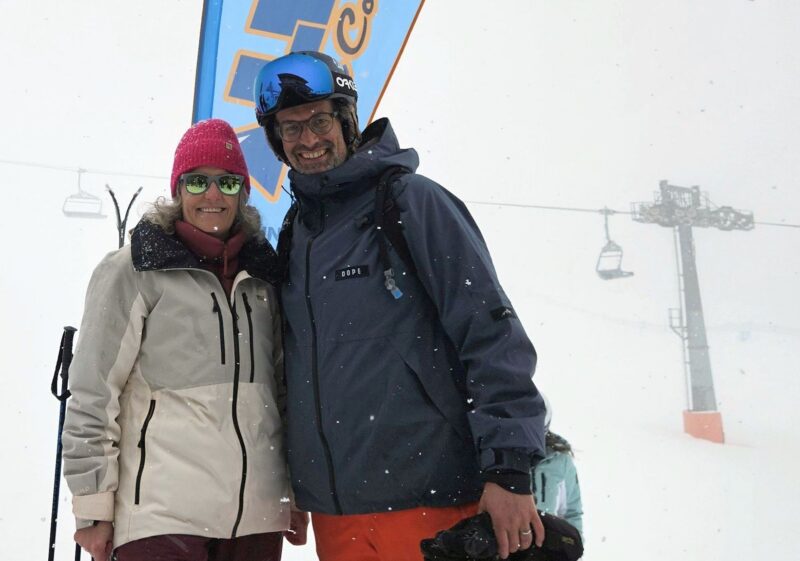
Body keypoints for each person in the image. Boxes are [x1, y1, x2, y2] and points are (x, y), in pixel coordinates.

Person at [253, 51, 547, 561]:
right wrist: (295, 480)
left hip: (433, 499)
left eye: (319, 121)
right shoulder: (296, 233)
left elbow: (491, 333)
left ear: (347, 121)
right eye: (290, 128)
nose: (307, 140)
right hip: (337, 517)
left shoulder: (410, 203)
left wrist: (509, 469)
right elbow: (294, 369)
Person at [62, 119, 306, 561]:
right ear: (177, 190)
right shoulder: (133, 270)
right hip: (161, 522)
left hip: (256, 521)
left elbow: (285, 394)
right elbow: (93, 394)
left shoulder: (264, 277)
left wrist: (293, 489)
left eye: (227, 182)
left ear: (243, 193)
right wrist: (93, 507)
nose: (213, 195)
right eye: (197, 181)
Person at [532, 394, 584, 536]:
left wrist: (573, 542)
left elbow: (572, 512)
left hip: (547, 543)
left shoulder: (560, 461)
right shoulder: (501, 459)